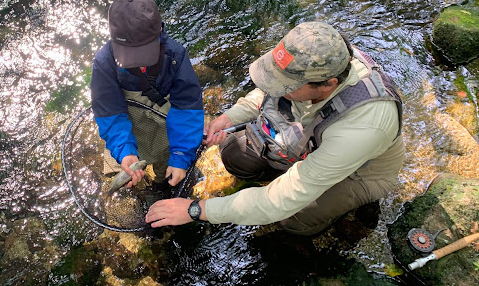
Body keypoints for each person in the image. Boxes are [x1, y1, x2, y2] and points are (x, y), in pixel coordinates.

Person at [146, 21, 404, 235]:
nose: (278, 87)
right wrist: (228, 118)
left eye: (287, 85)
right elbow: (267, 91)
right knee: (234, 153)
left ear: (328, 85)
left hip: (357, 174)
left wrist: (196, 210)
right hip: (312, 145)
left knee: (295, 216)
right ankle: (275, 181)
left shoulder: (362, 127)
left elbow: (282, 200)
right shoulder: (318, 56)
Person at [91, 0, 204, 190]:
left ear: (160, 30)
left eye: (144, 52)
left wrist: (180, 156)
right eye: (131, 55)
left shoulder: (175, 55)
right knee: (122, 176)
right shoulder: (104, 63)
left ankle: (161, 186)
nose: (140, 62)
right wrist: (126, 152)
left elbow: (187, 109)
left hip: (163, 126)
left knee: (168, 171)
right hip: (129, 123)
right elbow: (110, 114)